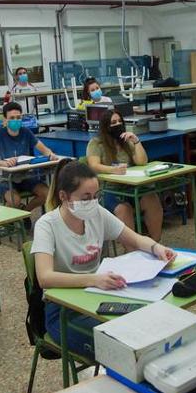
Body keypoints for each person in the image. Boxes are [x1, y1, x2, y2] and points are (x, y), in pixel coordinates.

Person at [31, 161, 175, 357]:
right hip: (63, 311)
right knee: (123, 346)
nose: (92, 202)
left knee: (150, 326)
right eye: (86, 197)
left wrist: (156, 247)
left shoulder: (96, 214)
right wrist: (94, 279)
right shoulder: (47, 225)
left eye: (96, 196)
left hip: (99, 298)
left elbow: (133, 238)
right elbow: (45, 278)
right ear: (63, 196)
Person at [85, 111, 163, 241]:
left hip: (131, 186)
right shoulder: (96, 143)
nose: (118, 125)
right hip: (109, 189)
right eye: (113, 123)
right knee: (124, 209)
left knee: (151, 199)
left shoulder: (126, 141)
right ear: (106, 127)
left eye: (120, 121)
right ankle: (131, 251)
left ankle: (155, 244)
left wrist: (136, 141)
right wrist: (113, 170)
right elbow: (93, 165)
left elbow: (142, 161)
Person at [0, 101, 60, 212]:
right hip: (5, 179)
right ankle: (8, 221)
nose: (16, 120)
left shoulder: (26, 132)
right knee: (14, 200)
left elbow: (44, 149)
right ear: (5, 120)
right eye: (12, 118)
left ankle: (25, 213)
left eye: (18, 117)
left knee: (47, 193)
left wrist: (51, 155)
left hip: (26, 176)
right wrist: (3, 163)